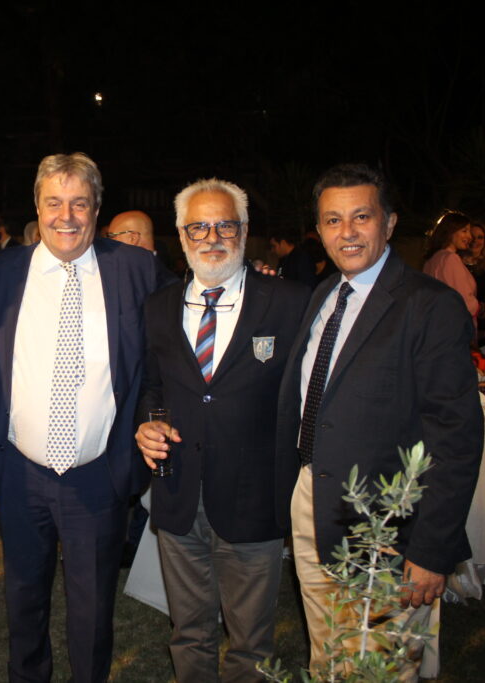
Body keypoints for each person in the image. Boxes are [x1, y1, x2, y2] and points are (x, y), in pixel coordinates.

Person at [276, 164, 482, 676]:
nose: (346, 231)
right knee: (328, 651)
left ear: (389, 223)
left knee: (379, 667)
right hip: (312, 500)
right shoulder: (325, 294)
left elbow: (455, 438)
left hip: (386, 527)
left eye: (361, 217)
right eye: (332, 220)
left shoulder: (430, 306)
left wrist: (431, 549)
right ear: (319, 229)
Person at [0, 152, 168, 682]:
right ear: (37, 207)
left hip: (98, 474)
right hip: (20, 472)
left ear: (96, 209)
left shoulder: (136, 269)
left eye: (79, 203)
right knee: (22, 598)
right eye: (54, 202)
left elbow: (172, 341)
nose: (66, 216)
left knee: (93, 607)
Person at [135, 178, 309, 682]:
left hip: (255, 498)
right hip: (178, 492)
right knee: (188, 631)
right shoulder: (159, 307)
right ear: (181, 235)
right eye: (198, 227)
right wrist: (148, 424)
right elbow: (152, 387)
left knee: (251, 641)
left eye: (225, 225)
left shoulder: (291, 302)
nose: (211, 237)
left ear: (245, 231)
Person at [423, 210, 481, 333]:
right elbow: (463, 300)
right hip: (453, 328)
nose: (469, 237)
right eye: (464, 231)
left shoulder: (432, 259)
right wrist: (477, 307)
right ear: (450, 232)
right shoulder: (450, 259)